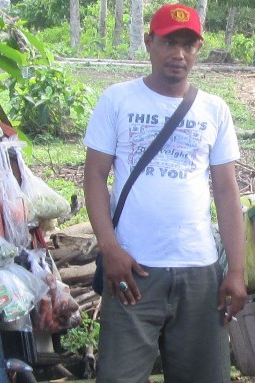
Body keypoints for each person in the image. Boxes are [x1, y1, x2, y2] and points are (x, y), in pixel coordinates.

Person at [82, 3, 247, 382]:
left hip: (200, 273)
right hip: (133, 271)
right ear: (148, 42)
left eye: (189, 45)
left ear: (198, 50)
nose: (179, 54)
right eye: (169, 42)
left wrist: (234, 270)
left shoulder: (214, 110)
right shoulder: (117, 100)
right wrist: (110, 249)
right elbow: (94, 178)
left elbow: (225, 192)